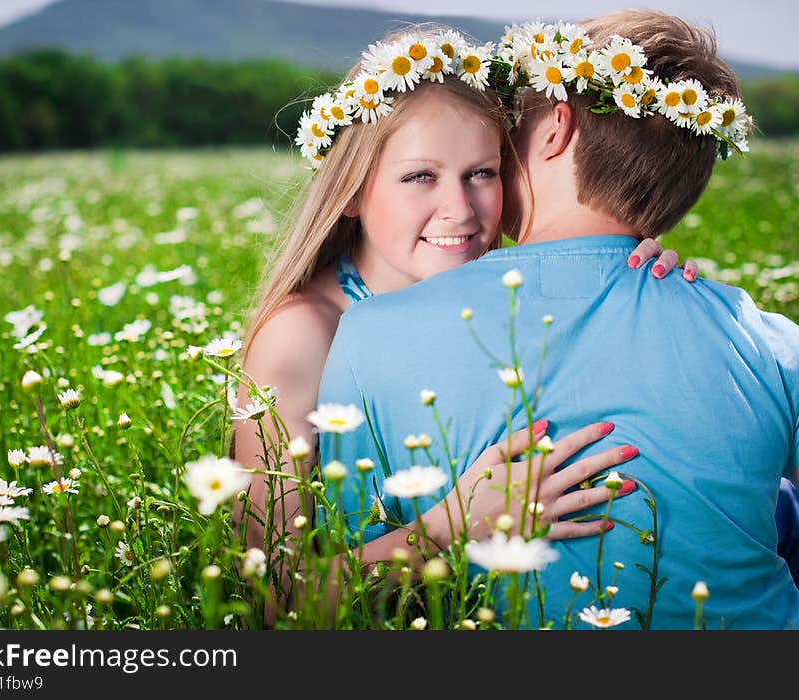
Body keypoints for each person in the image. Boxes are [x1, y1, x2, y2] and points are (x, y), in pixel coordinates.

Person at [317, 11, 799, 628]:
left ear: (556, 130)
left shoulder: (368, 334)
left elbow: (324, 594)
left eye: (512, 128)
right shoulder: (765, 340)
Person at [230, 25, 691, 617]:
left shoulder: (501, 291)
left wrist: (639, 274)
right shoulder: (304, 336)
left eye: (483, 172)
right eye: (420, 176)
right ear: (349, 190)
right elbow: (271, 597)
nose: (460, 209)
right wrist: (448, 528)